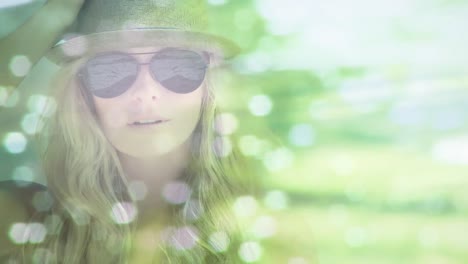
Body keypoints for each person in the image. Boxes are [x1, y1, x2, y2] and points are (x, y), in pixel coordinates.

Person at [0, 0, 259, 263]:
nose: (146, 94)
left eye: (176, 66)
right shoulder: (27, 220)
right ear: (83, 92)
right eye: (111, 70)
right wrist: (59, 9)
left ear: (209, 85)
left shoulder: (258, 228)